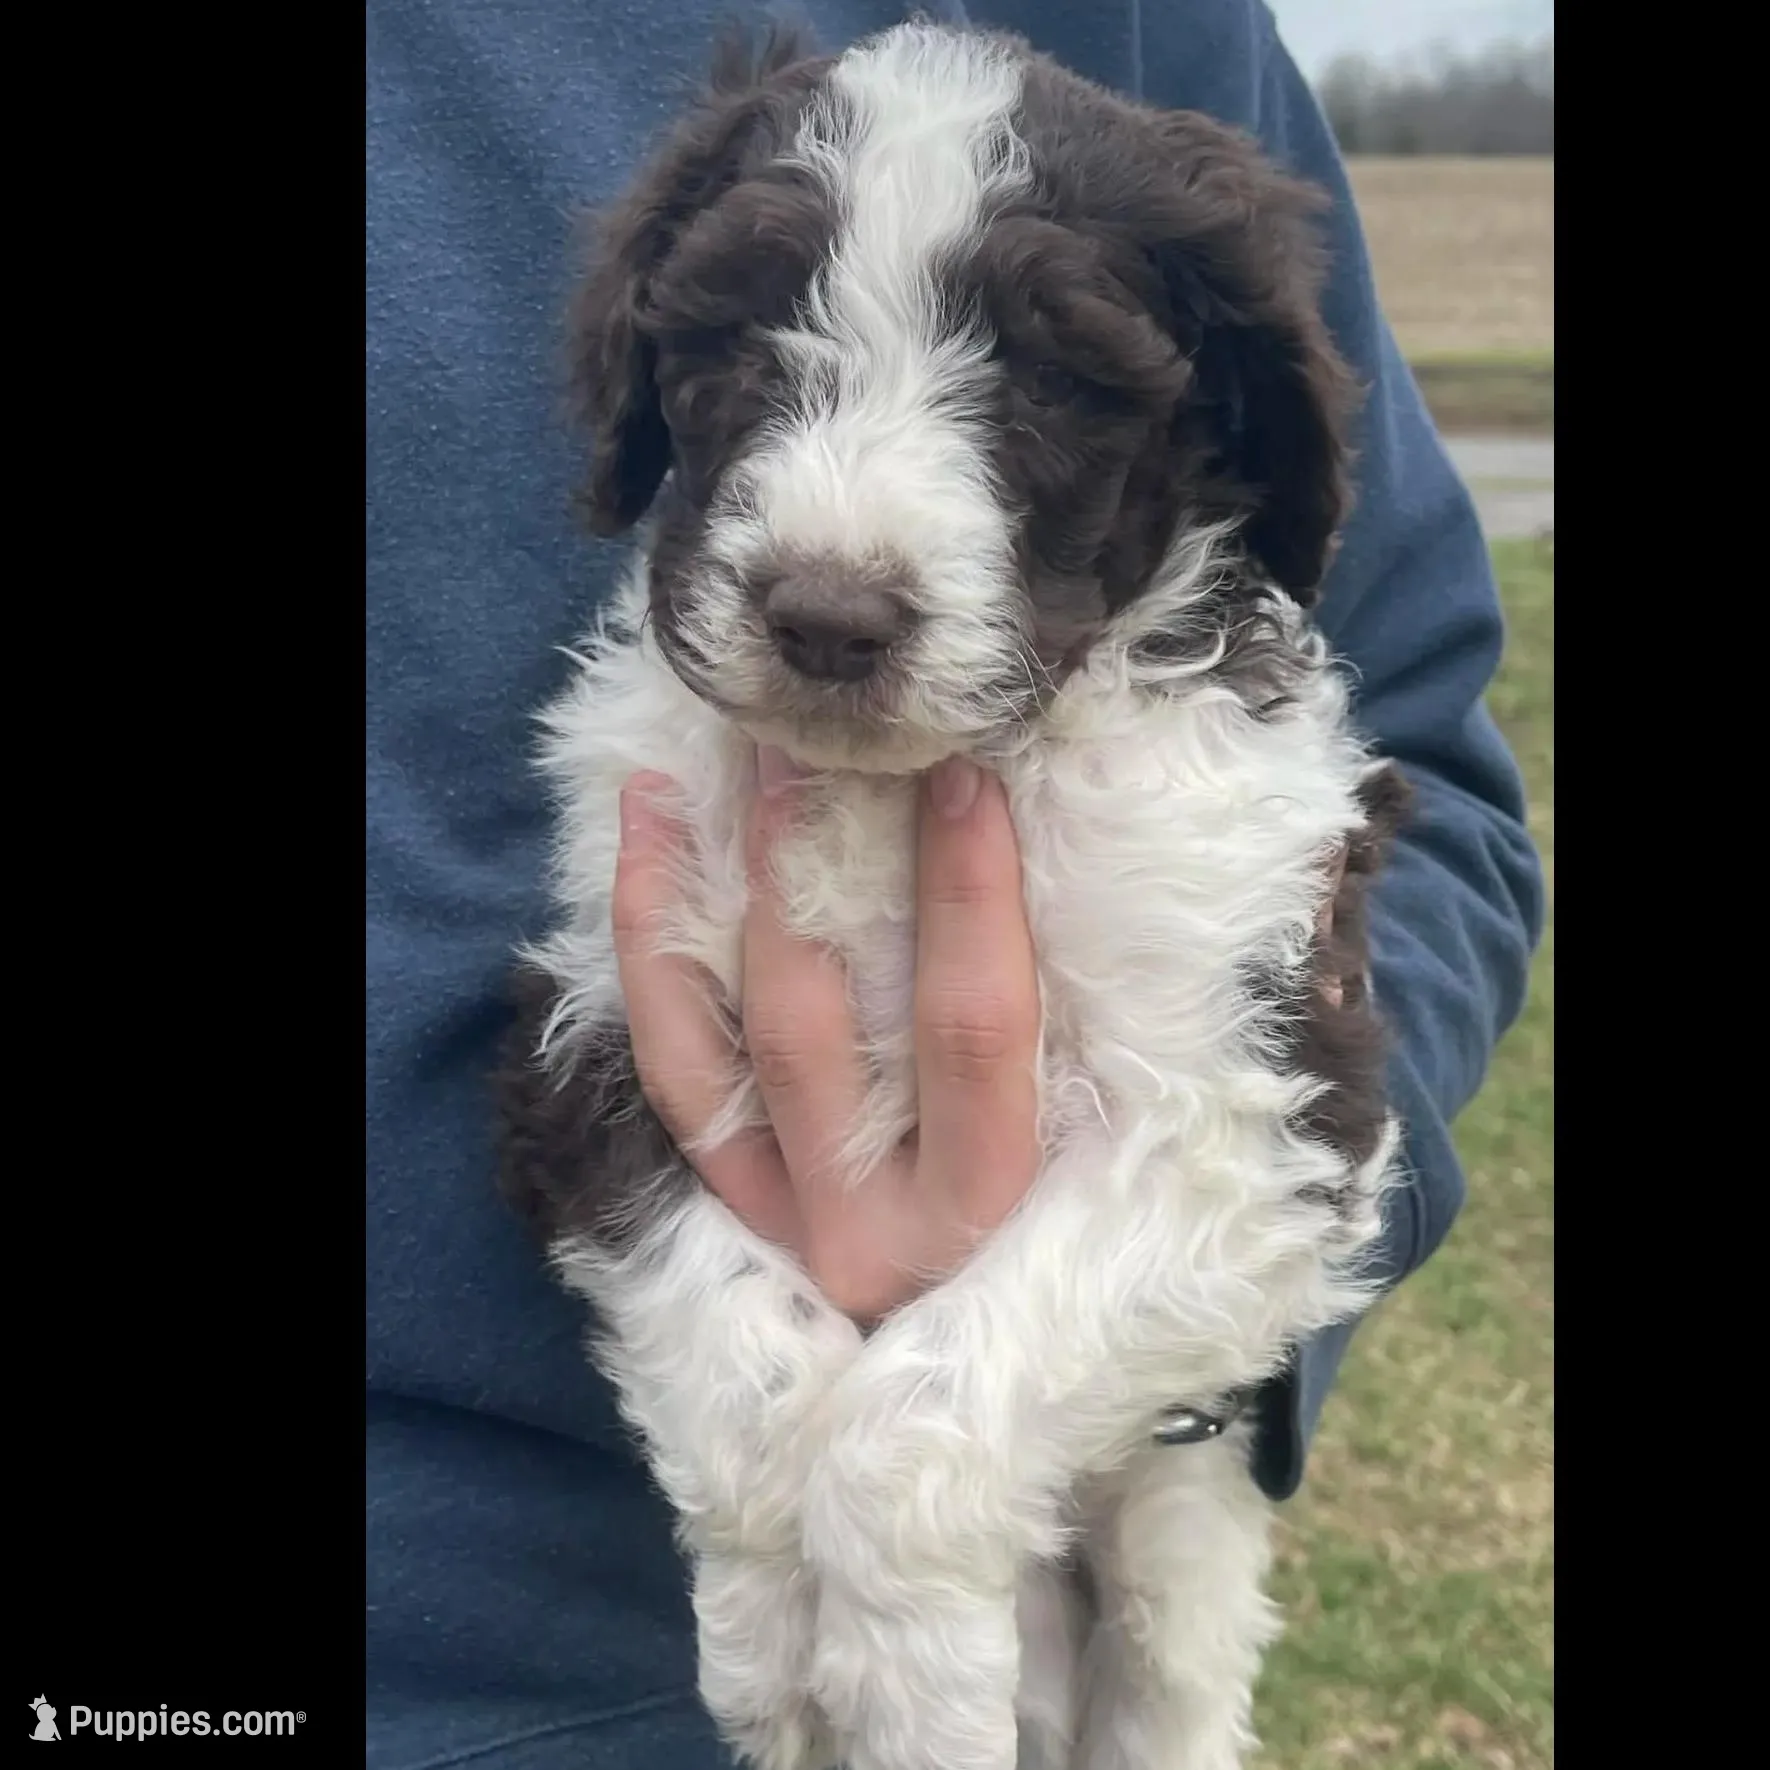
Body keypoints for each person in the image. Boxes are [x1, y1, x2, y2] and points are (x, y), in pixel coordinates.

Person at [365, 2, 1546, 1765]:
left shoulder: (1200, 774)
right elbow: (584, 1114)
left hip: (1066, 1506)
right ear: (639, 382)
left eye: (1054, 384)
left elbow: (1281, 1134)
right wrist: (760, 1512)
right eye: (745, 357)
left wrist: (937, 1473)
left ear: (1237, 439)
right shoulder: (648, 755)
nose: (836, 570)